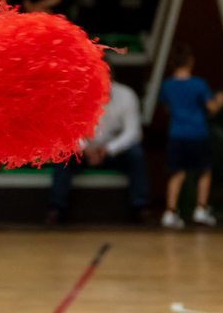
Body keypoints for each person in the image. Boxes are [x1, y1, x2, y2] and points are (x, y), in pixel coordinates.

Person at [46, 74, 149, 224]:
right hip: (84, 150)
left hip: (113, 151)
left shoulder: (126, 95)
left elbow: (133, 132)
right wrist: (84, 148)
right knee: (63, 154)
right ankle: (56, 209)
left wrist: (109, 149)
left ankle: (141, 208)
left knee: (136, 154)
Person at [158, 43, 223, 228]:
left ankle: (170, 212)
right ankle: (201, 209)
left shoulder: (167, 85)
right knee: (204, 171)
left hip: (176, 134)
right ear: (190, 61)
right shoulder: (199, 84)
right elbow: (212, 107)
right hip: (198, 134)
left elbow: (165, 105)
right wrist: (220, 100)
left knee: (177, 173)